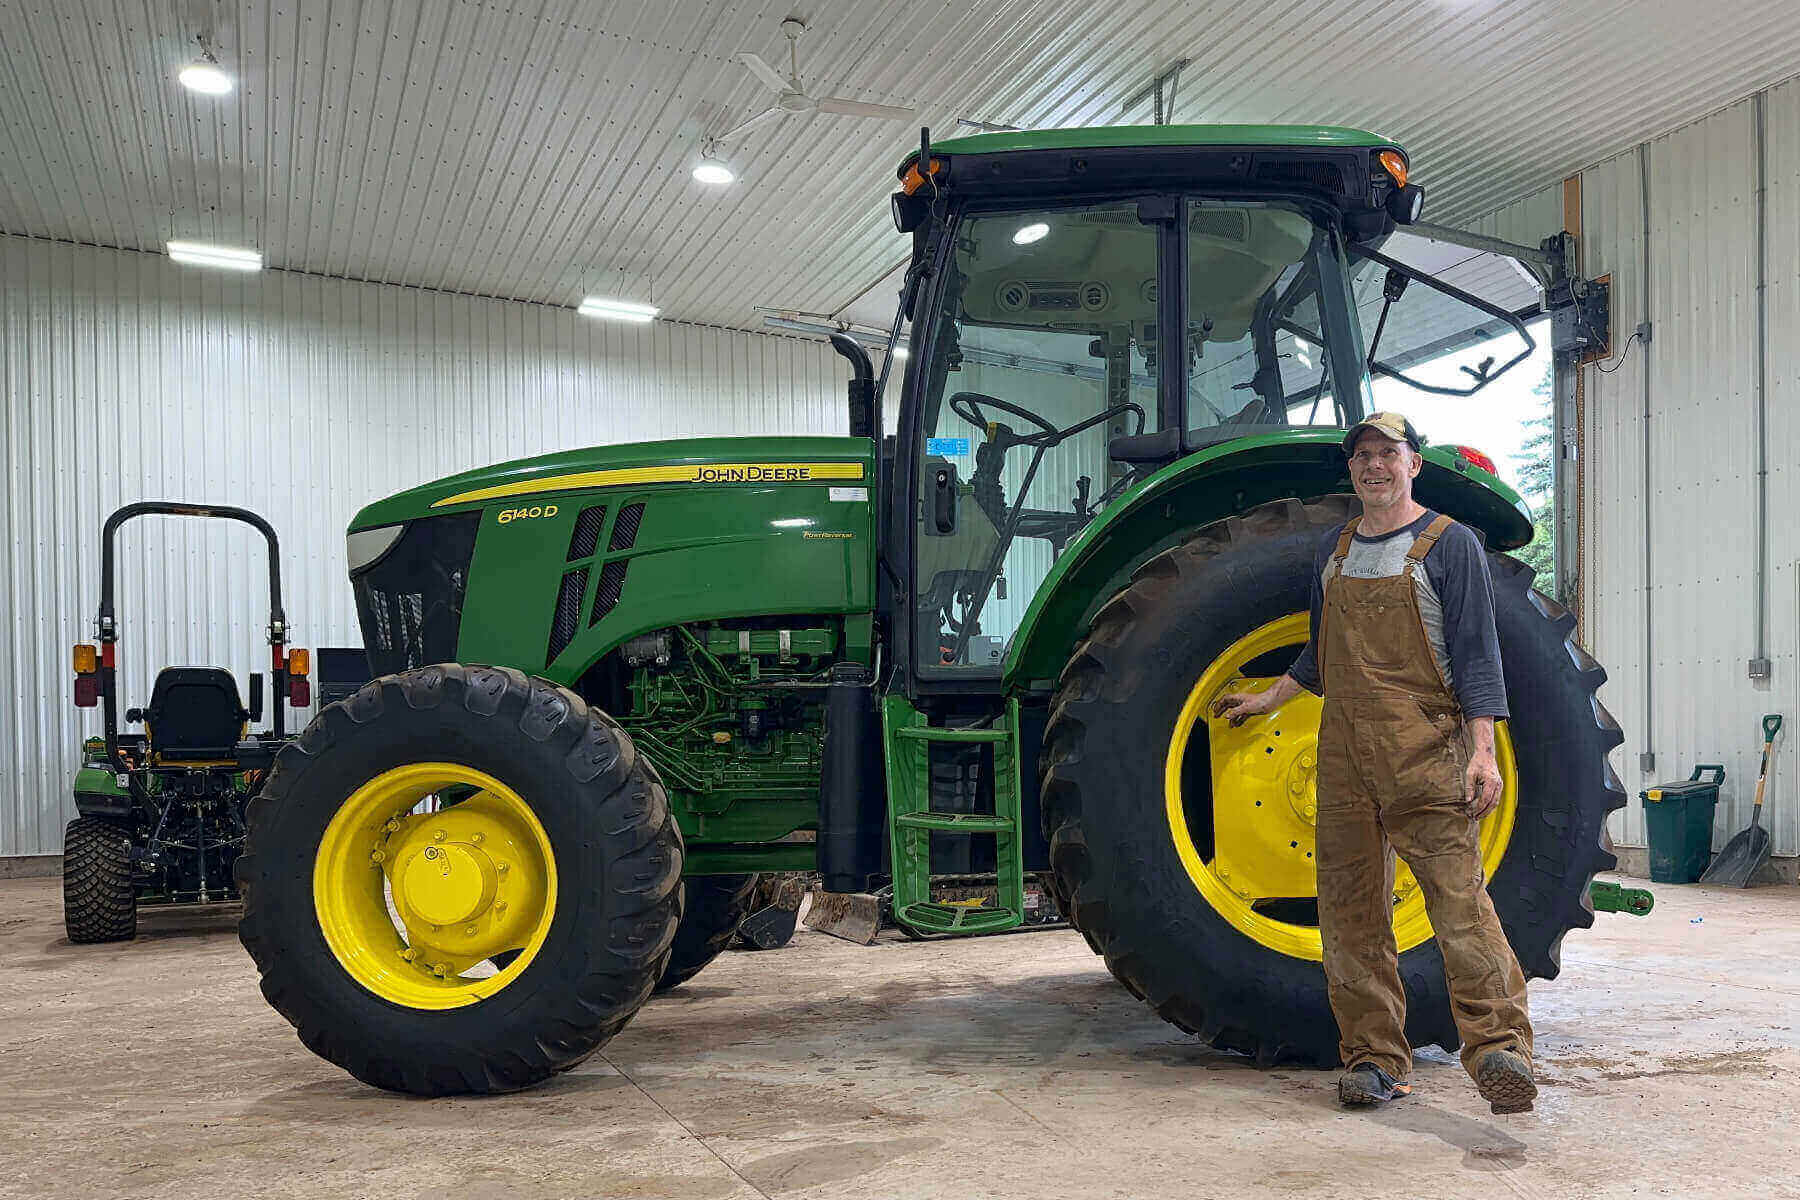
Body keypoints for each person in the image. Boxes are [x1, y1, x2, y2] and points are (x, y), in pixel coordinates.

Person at [1214, 412, 1537, 1115]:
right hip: (1343, 758)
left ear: (1413, 463)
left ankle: (1499, 1048)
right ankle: (1374, 1058)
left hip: (1424, 750)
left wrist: (1483, 752)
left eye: (1387, 453)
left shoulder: (1451, 545)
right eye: (1362, 456)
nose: (1374, 466)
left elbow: (1478, 656)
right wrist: (1268, 698)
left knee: (1459, 903)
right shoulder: (1335, 552)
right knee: (1350, 915)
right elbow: (1320, 653)